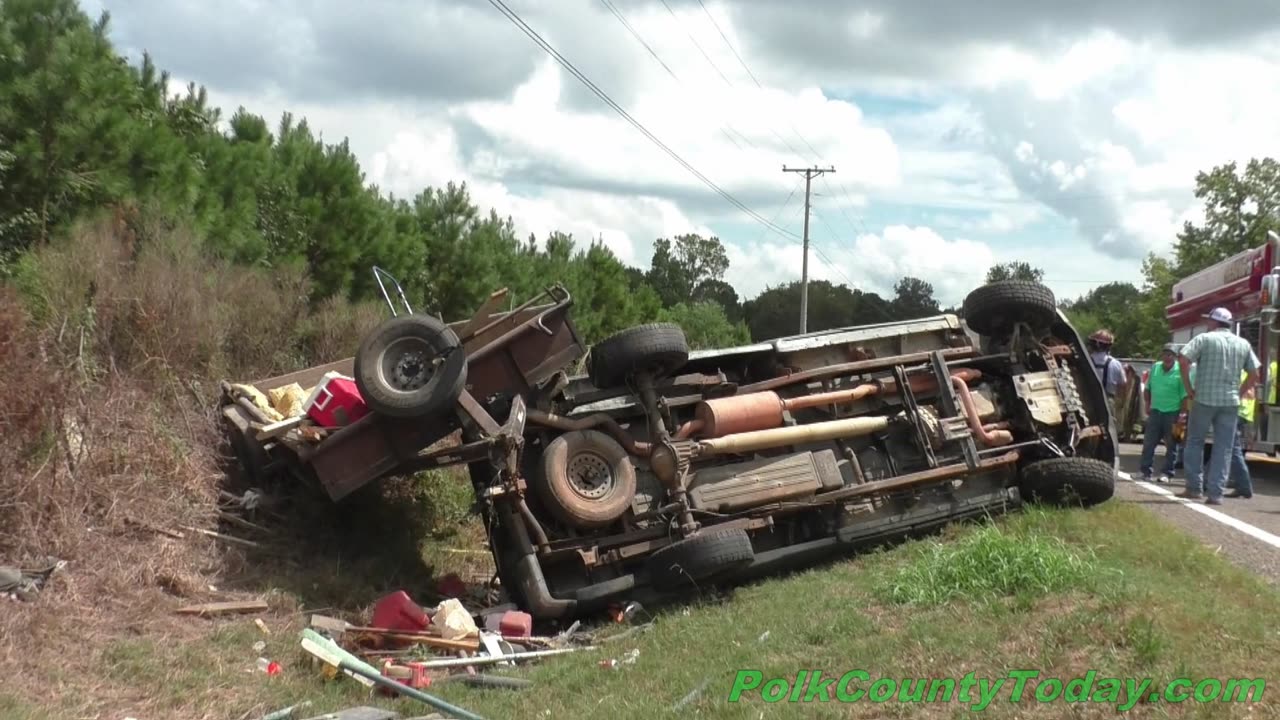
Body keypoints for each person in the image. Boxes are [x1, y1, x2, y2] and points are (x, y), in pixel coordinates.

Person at [1178, 307, 1260, 505]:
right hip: (1230, 402)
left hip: (1204, 399)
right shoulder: (1243, 343)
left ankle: (1194, 488)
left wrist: (1189, 388)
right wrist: (1239, 393)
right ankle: (1216, 494)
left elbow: (1183, 359)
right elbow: (1255, 374)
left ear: (1213, 322)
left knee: (1195, 441)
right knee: (1223, 448)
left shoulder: (1204, 339)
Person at [1139, 344, 1186, 483]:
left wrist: (1183, 415)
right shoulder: (1155, 367)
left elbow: (1184, 395)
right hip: (1156, 411)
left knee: (1172, 445)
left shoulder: (1181, 371)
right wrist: (1147, 404)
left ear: (1175, 357)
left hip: (1174, 413)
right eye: (1165, 353)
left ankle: (1167, 473)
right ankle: (1145, 471)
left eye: (1170, 354)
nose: (1167, 356)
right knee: (1149, 442)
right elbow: (1147, 388)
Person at [1227, 368, 1256, 499]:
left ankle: (1244, 486)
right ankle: (1206, 481)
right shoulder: (1245, 372)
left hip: (1237, 412)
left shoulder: (1239, 373)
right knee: (1229, 448)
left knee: (1231, 448)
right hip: (1240, 413)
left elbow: (1250, 394)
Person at [1088, 329, 1125, 400]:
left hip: (1087, 401)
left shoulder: (1084, 360)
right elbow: (1122, 385)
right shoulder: (1116, 364)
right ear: (1109, 346)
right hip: (1108, 403)